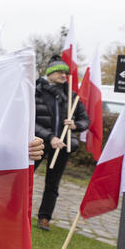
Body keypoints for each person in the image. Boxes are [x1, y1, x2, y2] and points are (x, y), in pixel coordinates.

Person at [34, 55, 90, 230]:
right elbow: (30, 121)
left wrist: (75, 125)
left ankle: (45, 217)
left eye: (65, 72)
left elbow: (85, 120)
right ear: (49, 73)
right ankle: (17, 210)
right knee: (27, 177)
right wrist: (50, 137)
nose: (63, 75)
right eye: (59, 71)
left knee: (53, 184)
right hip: (39, 143)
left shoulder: (71, 96)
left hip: (63, 145)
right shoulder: (36, 91)